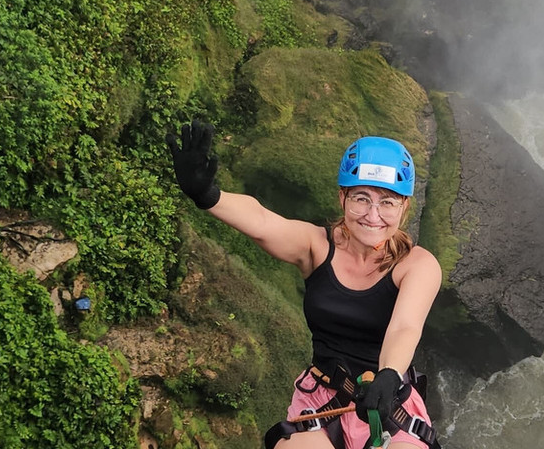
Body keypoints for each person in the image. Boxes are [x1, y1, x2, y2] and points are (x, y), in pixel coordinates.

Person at [166, 120, 443, 449]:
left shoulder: (417, 264)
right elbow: (264, 223)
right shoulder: (317, 246)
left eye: (388, 202)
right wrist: (208, 195)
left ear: (405, 206)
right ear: (342, 198)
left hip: (389, 397)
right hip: (324, 399)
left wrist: (389, 374)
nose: (373, 215)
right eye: (361, 199)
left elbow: (404, 328)